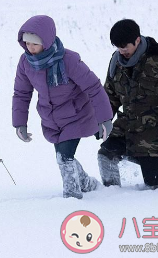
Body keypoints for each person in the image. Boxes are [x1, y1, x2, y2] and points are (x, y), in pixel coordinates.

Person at [12, 15, 113, 199]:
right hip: (51, 119)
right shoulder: (26, 63)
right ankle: (87, 183)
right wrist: (20, 123)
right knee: (64, 158)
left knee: (64, 158)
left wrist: (105, 119)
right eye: (27, 43)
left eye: (35, 44)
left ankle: (72, 196)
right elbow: (22, 94)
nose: (30, 48)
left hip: (78, 115)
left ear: (47, 41)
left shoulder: (68, 60)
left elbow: (94, 87)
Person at [98, 19, 158, 189]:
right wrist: (101, 121)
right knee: (106, 156)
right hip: (128, 128)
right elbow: (109, 95)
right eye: (118, 47)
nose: (121, 51)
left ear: (137, 40)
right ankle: (111, 195)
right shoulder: (116, 62)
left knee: (157, 186)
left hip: (157, 136)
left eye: (125, 47)